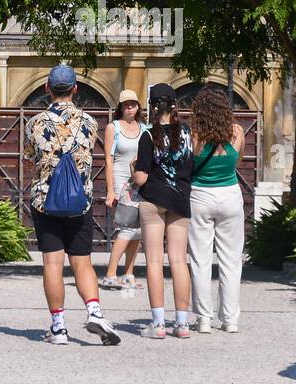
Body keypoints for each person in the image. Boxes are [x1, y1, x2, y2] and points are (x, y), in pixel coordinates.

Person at [23, 63, 121, 347]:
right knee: (83, 262)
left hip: (46, 200)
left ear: (47, 88)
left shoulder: (35, 123)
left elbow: (31, 157)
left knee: (53, 263)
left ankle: (58, 327)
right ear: (75, 89)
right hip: (80, 202)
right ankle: (95, 311)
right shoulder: (90, 123)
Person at [132, 83, 193, 339]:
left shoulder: (147, 135)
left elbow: (142, 179)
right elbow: (192, 166)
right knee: (179, 261)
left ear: (152, 106)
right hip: (179, 199)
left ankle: (158, 324)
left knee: (155, 261)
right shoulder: (188, 132)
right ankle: (182, 324)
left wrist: (134, 167)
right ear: (175, 104)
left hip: (154, 199)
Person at [186, 85, 246, 334]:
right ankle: (230, 319)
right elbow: (237, 163)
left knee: (200, 260)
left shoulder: (195, 135)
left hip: (200, 194)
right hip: (230, 194)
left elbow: (189, 164)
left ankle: (203, 319)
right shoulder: (237, 132)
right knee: (231, 261)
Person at [101, 90, 146, 290]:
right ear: (120, 106)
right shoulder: (113, 128)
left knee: (138, 229)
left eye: (133, 103)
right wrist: (111, 190)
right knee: (126, 228)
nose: (129, 106)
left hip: (140, 182)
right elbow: (108, 160)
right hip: (121, 182)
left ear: (138, 106)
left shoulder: (145, 128)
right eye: (125, 103)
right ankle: (110, 274)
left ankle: (128, 273)